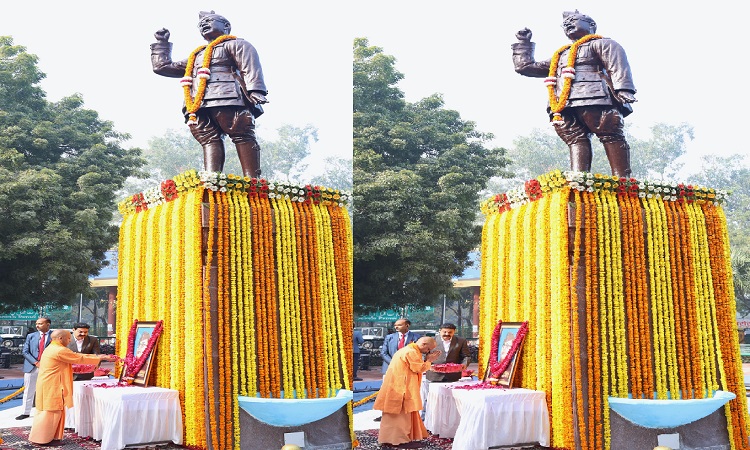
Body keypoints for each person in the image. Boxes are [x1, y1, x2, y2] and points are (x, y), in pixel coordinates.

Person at [511, 10, 637, 178]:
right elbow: (525, 67)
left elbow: (617, 65)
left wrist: (624, 89)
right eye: (565, 24)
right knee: (575, 139)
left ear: (591, 25)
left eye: (574, 20)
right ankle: (579, 182)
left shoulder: (603, 43)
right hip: (563, 104)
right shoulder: (561, 54)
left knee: (610, 135)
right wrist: (523, 43)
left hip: (596, 97)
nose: (568, 24)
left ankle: (623, 182)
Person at [150, 10, 268, 177]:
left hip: (229, 97)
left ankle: (253, 182)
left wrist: (256, 90)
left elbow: (250, 67)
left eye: (210, 21)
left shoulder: (236, 44)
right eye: (201, 25)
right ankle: (212, 182)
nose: (204, 25)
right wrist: (162, 43)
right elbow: (163, 67)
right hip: (198, 104)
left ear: (226, 26)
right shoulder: (196, 55)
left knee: (242, 134)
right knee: (208, 139)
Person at [28, 330, 116, 445]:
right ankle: (42, 439)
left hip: (49, 384)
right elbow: (79, 358)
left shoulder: (51, 347)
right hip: (53, 385)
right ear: (60, 338)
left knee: (53, 411)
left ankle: (52, 437)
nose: (70, 341)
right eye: (68, 338)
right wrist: (101, 357)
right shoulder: (59, 350)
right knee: (51, 412)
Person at [374, 337, 441, 449]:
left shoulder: (407, 349)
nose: (427, 352)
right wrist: (429, 360)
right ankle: (400, 441)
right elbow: (418, 368)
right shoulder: (411, 352)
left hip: (396, 386)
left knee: (394, 415)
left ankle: (388, 439)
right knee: (402, 416)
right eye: (428, 349)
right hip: (401, 389)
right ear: (423, 344)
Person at [421, 323, 472, 418]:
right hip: (434, 375)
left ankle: (449, 421)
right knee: (430, 400)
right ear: (440, 331)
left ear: (454, 332)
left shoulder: (460, 341)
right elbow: (422, 354)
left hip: (453, 375)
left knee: (452, 401)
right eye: (444, 332)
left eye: (450, 332)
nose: (447, 334)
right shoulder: (431, 340)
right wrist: (427, 365)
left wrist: (464, 365)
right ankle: (425, 420)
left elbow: (466, 356)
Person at [16, 317, 52, 420]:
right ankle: (25, 412)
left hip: (48, 367)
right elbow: (25, 351)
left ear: (48, 324)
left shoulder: (54, 336)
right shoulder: (31, 336)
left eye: (40, 323)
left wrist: (45, 363)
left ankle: (45, 412)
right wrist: (36, 362)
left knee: (47, 390)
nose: (37, 325)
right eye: (37, 323)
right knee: (29, 390)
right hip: (32, 366)